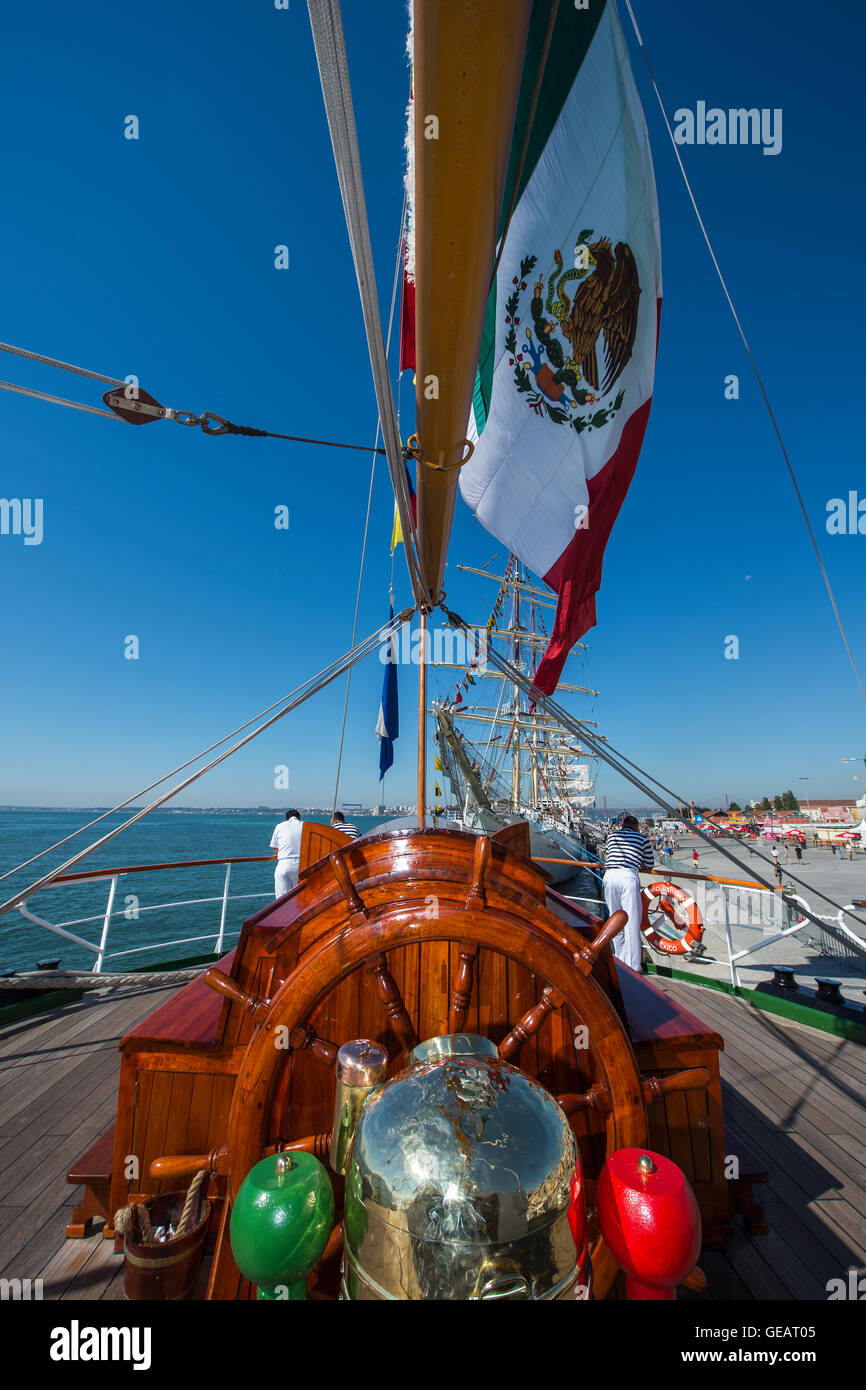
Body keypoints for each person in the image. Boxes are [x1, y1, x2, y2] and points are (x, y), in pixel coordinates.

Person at [602, 815, 653, 973]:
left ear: (623, 825)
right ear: (636, 826)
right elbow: (649, 864)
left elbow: (608, 854)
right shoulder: (642, 838)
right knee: (631, 922)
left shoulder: (612, 836)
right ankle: (633, 966)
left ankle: (619, 960)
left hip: (610, 876)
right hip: (627, 877)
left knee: (615, 920)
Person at [270, 809, 303, 897]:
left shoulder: (279, 826)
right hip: (301, 866)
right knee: (300, 899)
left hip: (283, 865)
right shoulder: (305, 826)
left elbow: (276, 849)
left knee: (281, 901)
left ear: (286, 819)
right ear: (299, 818)